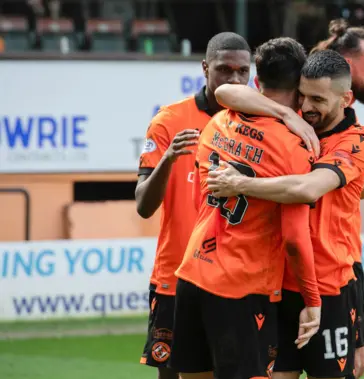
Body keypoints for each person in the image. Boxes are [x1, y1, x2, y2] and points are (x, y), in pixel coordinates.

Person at [208, 50, 364, 379]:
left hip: (328, 288)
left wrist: (242, 184)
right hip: (278, 285)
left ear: (346, 98)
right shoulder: (297, 120)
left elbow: (307, 189)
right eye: (303, 96)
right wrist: (286, 112)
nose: (308, 106)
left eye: (317, 99)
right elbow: (224, 92)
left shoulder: (355, 141)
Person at [170, 37, 322, 379]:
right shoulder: (295, 148)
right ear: (300, 86)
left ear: (256, 81)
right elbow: (296, 238)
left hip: (192, 274)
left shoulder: (220, 120)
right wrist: (312, 300)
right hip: (240, 287)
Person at [135, 31, 251, 379]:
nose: (234, 79)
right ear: (204, 68)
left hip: (235, 280)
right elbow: (143, 205)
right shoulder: (170, 121)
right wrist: (168, 159)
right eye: (224, 70)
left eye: (242, 72)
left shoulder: (258, 124)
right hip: (176, 278)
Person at [311, 19, 364, 376]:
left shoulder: (354, 131)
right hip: (316, 270)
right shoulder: (294, 116)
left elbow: (352, 185)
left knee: (355, 364)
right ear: (347, 63)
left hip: (343, 263)